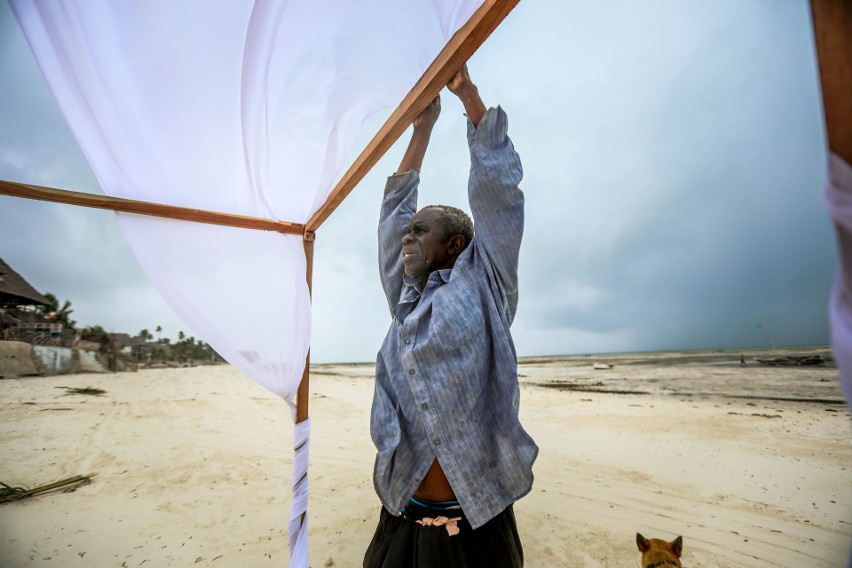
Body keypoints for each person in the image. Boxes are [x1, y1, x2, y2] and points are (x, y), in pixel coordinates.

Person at [363, 65, 538, 567]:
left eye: (421, 231)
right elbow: (392, 214)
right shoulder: (405, 299)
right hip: (403, 509)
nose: (407, 238)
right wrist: (421, 129)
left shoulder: (486, 282)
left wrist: (469, 97)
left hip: (478, 516)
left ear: (455, 244)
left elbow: (499, 197)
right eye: (408, 232)